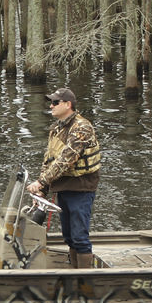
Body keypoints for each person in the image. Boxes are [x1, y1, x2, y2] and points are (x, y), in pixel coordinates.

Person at [26, 87, 101, 268]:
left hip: (81, 188)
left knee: (79, 237)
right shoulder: (56, 129)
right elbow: (49, 159)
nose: (50, 106)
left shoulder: (82, 127)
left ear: (68, 105)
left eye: (55, 102)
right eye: (50, 102)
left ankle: (84, 281)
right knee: (68, 235)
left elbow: (65, 159)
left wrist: (42, 182)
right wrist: (42, 189)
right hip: (63, 188)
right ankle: (74, 271)